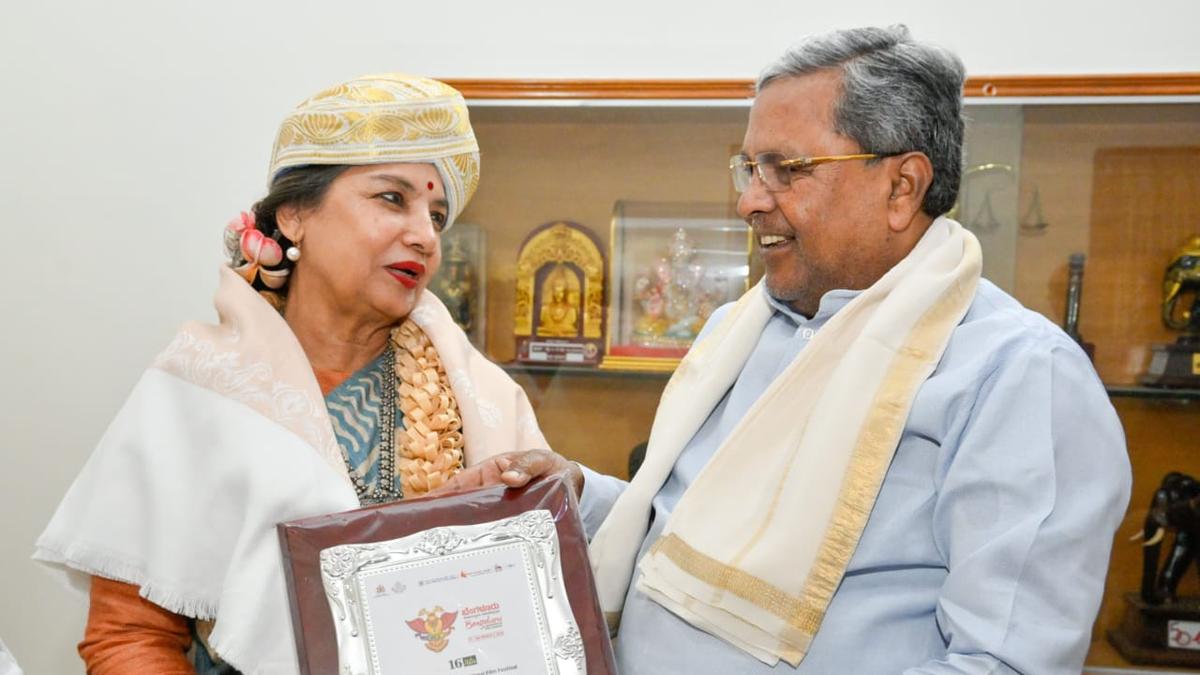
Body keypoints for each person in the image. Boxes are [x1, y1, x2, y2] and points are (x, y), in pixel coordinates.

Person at [444, 26, 1132, 673]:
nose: (749, 201)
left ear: (902, 187)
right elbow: (700, 526)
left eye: (786, 169)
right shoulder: (743, 329)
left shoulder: (1015, 374)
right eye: (748, 167)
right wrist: (581, 494)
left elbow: (1001, 661)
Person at [34, 73, 550, 674]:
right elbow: (130, 637)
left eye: (437, 215)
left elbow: (533, 613)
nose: (424, 236)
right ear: (296, 214)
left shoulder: (483, 398)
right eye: (392, 198)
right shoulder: (201, 390)